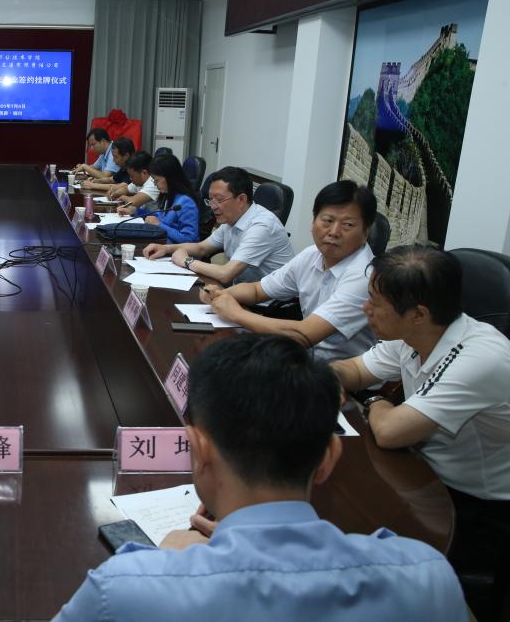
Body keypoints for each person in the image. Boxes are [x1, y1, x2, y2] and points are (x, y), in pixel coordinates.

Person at [55, 334, 467, 621]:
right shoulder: (426, 576)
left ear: (197, 450)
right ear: (329, 458)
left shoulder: (127, 590)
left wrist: (162, 560)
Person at [330, 246, 510, 595]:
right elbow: (351, 369)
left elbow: (389, 431)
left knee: (369, 565)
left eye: (375, 303)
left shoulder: (480, 358)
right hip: (424, 473)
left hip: (479, 508)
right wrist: (335, 378)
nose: (365, 308)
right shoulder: (414, 333)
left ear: (418, 314)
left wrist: (376, 401)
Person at [200, 180, 376, 362]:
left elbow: (304, 335)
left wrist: (235, 313)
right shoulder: (312, 255)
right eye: (328, 221)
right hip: (305, 358)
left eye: (348, 225)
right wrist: (221, 295)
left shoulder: (364, 277)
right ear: (313, 222)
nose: (334, 232)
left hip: (342, 373)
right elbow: (257, 290)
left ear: (365, 232)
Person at [143, 166, 293, 285]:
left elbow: (226, 274)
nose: (213, 206)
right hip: (240, 293)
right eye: (210, 200)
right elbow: (201, 248)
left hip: (269, 307)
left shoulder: (262, 226)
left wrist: (187, 261)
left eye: (219, 200)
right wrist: (166, 248)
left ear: (241, 199)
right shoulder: (232, 219)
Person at [119, 154, 199, 244]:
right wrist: (135, 211)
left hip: (175, 250)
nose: (155, 184)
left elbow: (189, 239)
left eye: (156, 180)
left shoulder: (186, 202)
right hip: (162, 244)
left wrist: (159, 225)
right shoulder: (168, 195)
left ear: (169, 178)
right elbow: (158, 216)